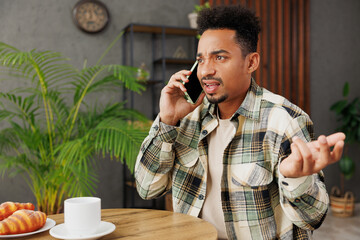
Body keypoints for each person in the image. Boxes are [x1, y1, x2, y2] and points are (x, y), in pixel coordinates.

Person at [134, 4, 345, 240]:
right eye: (201, 59)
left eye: (220, 57)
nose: (206, 71)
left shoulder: (284, 120)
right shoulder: (184, 116)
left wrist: (296, 178)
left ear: (251, 63)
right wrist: (167, 121)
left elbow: (313, 219)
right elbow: (147, 189)